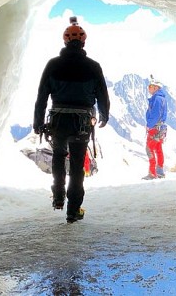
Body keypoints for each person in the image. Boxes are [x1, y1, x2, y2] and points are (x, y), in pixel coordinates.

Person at [34, 17, 109, 223]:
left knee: (59, 155)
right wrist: (104, 114)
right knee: (77, 166)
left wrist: (38, 121)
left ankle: (58, 196)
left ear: (65, 41)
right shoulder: (93, 66)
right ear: (83, 42)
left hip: (58, 120)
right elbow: (102, 93)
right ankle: (73, 210)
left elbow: (42, 95)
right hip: (82, 122)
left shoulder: (53, 64)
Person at [143, 76, 168, 180]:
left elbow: (155, 114)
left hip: (154, 128)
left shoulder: (157, 99)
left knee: (149, 148)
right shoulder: (162, 98)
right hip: (161, 128)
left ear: (156, 87)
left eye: (150, 86)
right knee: (158, 149)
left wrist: (149, 125)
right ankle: (160, 171)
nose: (149, 88)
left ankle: (152, 173)